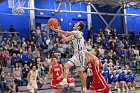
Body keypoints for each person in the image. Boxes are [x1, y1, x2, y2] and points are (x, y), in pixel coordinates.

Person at [50, 21, 87, 91]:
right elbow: (65, 39)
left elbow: (66, 33)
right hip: (75, 54)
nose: (75, 24)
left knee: (80, 72)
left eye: (77, 24)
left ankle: (85, 88)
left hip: (80, 55)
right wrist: (60, 32)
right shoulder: (74, 35)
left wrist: (55, 29)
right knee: (66, 66)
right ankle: (64, 80)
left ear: (78, 27)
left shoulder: (78, 33)